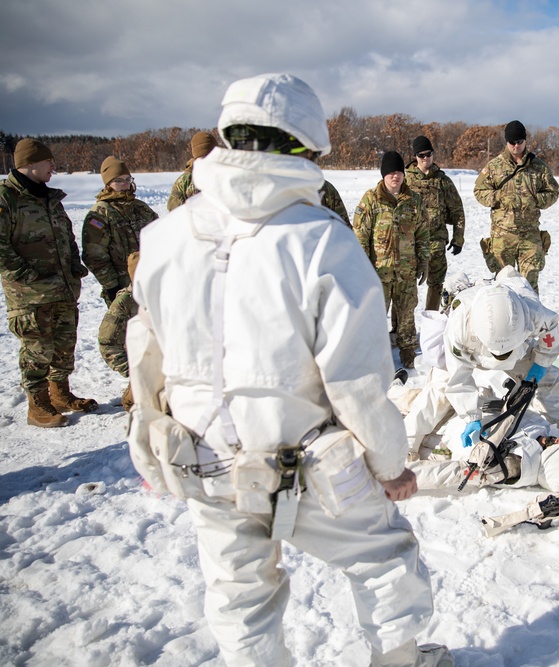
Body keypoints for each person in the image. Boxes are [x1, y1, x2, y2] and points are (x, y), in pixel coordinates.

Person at [126, 73, 450, 667]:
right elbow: (356, 383)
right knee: (384, 561)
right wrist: (390, 466)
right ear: (305, 147)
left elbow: (146, 358)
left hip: (203, 460)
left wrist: (151, 449)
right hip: (309, 465)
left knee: (238, 595)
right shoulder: (322, 242)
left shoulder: (164, 237)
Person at [410, 265, 559, 455]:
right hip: (471, 349)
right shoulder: (459, 326)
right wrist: (471, 417)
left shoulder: (531, 309)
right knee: (440, 388)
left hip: (519, 350)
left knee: (549, 379)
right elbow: (459, 378)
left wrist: (540, 364)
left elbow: (550, 331)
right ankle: (408, 441)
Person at [0, 138, 98, 428]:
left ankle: (60, 394)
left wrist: (74, 268)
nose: (53, 166)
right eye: (48, 162)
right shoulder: (7, 199)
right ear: (30, 164)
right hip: (31, 296)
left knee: (64, 346)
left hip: (63, 289)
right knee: (37, 350)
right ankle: (37, 404)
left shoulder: (49, 198)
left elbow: (66, 237)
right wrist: (27, 275)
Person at [388, 373, 559, 493]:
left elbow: (454, 474)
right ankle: (393, 390)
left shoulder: (507, 466)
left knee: (430, 395)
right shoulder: (539, 438)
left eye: (552, 443)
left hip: (442, 433)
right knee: (438, 391)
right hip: (467, 413)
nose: (555, 438)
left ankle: (387, 395)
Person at [353, 150, 430, 369]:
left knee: (406, 314)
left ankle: (407, 350)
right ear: (383, 175)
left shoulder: (414, 201)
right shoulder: (371, 200)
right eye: (391, 172)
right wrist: (363, 268)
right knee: (376, 314)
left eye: (399, 172)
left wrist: (423, 261)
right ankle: (374, 352)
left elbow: (423, 233)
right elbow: (360, 236)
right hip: (379, 272)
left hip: (406, 271)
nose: (395, 176)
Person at [474, 120, 559, 293]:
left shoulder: (538, 167)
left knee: (529, 286)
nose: (516, 146)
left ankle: (532, 320)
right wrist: (500, 197)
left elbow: (553, 192)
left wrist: (536, 199)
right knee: (503, 287)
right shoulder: (494, 167)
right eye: (512, 142)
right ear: (506, 142)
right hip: (503, 235)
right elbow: (479, 191)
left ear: (525, 141)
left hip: (530, 235)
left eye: (519, 142)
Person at [83, 156, 158, 305]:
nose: (125, 184)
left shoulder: (141, 208)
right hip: (123, 288)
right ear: (108, 183)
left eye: (128, 179)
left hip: (151, 281)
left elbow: (161, 236)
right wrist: (112, 286)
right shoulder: (101, 213)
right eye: (118, 180)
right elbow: (94, 255)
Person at [405, 135, 465, 311]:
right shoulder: (406, 180)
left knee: (436, 284)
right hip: (411, 243)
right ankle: (402, 326)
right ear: (415, 156)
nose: (426, 159)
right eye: (421, 155)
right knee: (406, 286)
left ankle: (430, 320)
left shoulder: (443, 181)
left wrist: (458, 238)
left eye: (429, 154)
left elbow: (457, 211)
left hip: (436, 242)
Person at [98, 251, 139, 411]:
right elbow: (108, 344)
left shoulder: (172, 294)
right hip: (147, 369)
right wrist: (134, 371)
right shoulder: (125, 302)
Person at [167, 131, 217, 211]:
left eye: (210, 157)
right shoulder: (184, 181)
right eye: (202, 158)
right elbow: (173, 209)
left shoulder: (225, 174)